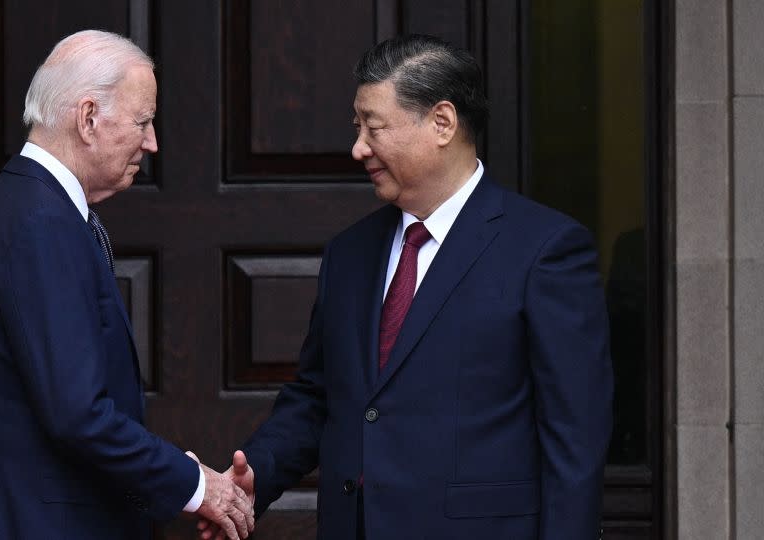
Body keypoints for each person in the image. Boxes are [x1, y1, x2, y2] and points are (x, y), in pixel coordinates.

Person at [202, 34, 612, 540]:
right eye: (357, 127)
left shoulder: (544, 250)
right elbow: (317, 396)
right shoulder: (349, 253)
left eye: (373, 127)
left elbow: (575, 436)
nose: (358, 148)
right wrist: (254, 478)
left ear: (442, 122)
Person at [0, 30, 254, 540]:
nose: (152, 143)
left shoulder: (23, 207)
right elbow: (77, 416)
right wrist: (196, 484)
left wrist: (166, 471)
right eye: (143, 122)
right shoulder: (40, 223)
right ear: (88, 118)